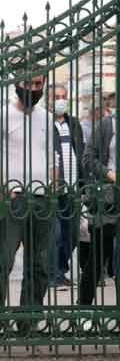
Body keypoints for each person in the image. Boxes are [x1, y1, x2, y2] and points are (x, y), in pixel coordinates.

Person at [0, 71, 58, 333]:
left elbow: (52, 160)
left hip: (41, 199)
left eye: (39, 84)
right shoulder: (0, 116)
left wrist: (53, 188)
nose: (34, 88)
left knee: (40, 265)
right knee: (2, 263)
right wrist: (4, 188)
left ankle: (28, 320)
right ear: (17, 84)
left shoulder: (46, 118)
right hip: (13, 200)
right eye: (30, 83)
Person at [79, 112, 118, 312]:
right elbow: (88, 158)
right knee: (98, 255)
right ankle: (84, 308)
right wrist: (109, 174)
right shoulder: (105, 125)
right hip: (108, 199)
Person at [48, 84, 84, 287]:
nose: (61, 100)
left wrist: (83, 184)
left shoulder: (74, 124)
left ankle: (60, 268)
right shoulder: (44, 123)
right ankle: (54, 274)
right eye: (57, 97)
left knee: (72, 234)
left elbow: (82, 153)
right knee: (56, 233)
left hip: (73, 188)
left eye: (64, 96)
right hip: (54, 188)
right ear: (49, 99)